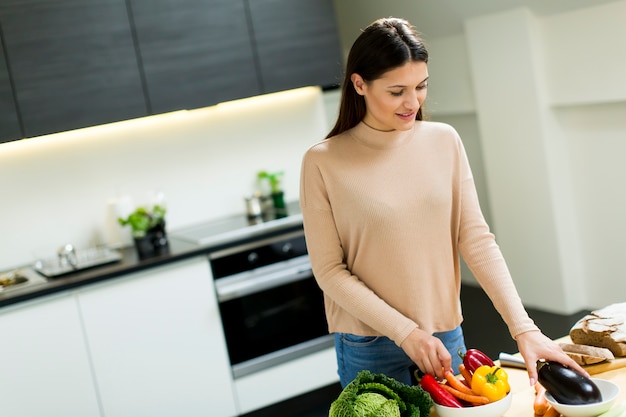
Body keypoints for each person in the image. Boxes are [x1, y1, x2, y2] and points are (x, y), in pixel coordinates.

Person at [299, 17, 587, 388]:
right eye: (396, 91)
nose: (412, 102)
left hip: (444, 335)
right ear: (359, 84)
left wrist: (524, 329)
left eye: (420, 86)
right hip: (369, 343)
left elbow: (475, 239)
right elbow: (329, 272)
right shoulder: (323, 161)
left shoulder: (443, 141)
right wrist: (405, 332)